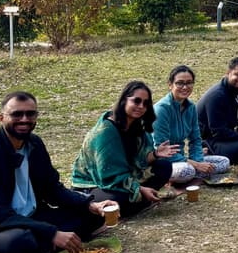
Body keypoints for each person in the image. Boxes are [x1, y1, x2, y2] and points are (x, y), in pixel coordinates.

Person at [0, 91, 112, 253]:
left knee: (92, 216)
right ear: (1, 117)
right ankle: (35, 247)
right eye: (17, 114)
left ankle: (37, 249)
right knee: (21, 241)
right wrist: (51, 232)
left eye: (30, 114)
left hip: (34, 216)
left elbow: (53, 189)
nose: (24, 119)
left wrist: (89, 204)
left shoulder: (34, 144)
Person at [71, 81, 175, 216]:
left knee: (164, 166)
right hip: (94, 185)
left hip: (127, 178)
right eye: (136, 101)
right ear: (124, 100)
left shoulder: (136, 126)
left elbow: (139, 161)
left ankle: (138, 201)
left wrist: (155, 154)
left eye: (145, 103)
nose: (141, 106)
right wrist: (140, 189)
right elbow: (110, 177)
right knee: (119, 199)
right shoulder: (106, 132)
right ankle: (136, 202)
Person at [153, 65, 230, 183]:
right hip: (163, 161)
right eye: (180, 83)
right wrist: (196, 165)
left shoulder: (191, 107)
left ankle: (195, 172)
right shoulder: (161, 110)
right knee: (187, 171)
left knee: (224, 162)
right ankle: (180, 175)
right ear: (170, 84)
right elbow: (161, 150)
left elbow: (195, 139)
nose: (185, 87)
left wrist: (199, 161)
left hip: (184, 159)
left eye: (189, 83)